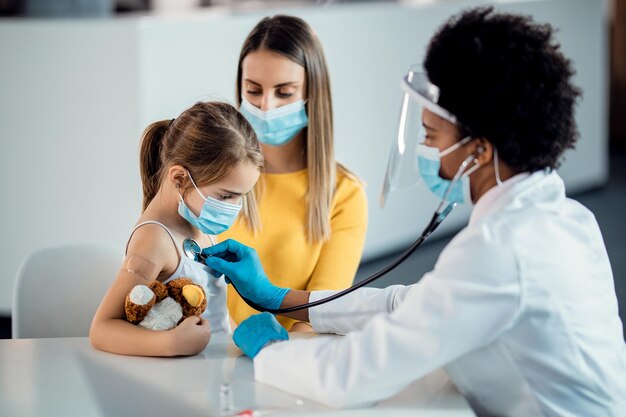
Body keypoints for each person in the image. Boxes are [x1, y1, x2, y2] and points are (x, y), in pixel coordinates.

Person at [203, 8, 626, 416]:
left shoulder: (501, 250)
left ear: (478, 150)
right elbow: (406, 304)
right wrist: (280, 298)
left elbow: (348, 376)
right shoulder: (560, 217)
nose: (426, 150)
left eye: (430, 135)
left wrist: (272, 351)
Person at [219, 15, 368, 332]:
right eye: (254, 90)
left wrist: (267, 360)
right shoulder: (212, 174)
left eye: (284, 93)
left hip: (288, 366)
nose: (267, 106)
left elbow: (321, 319)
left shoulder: (344, 194)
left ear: (311, 95)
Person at [89, 101, 262, 356]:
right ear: (180, 178)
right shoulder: (155, 240)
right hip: (185, 383)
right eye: (226, 197)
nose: (234, 208)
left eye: (241, 196)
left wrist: (241, 339)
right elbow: (102, 329)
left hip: (212, 374)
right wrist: (170, 344)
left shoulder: (199, 222)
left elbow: (214, 314)